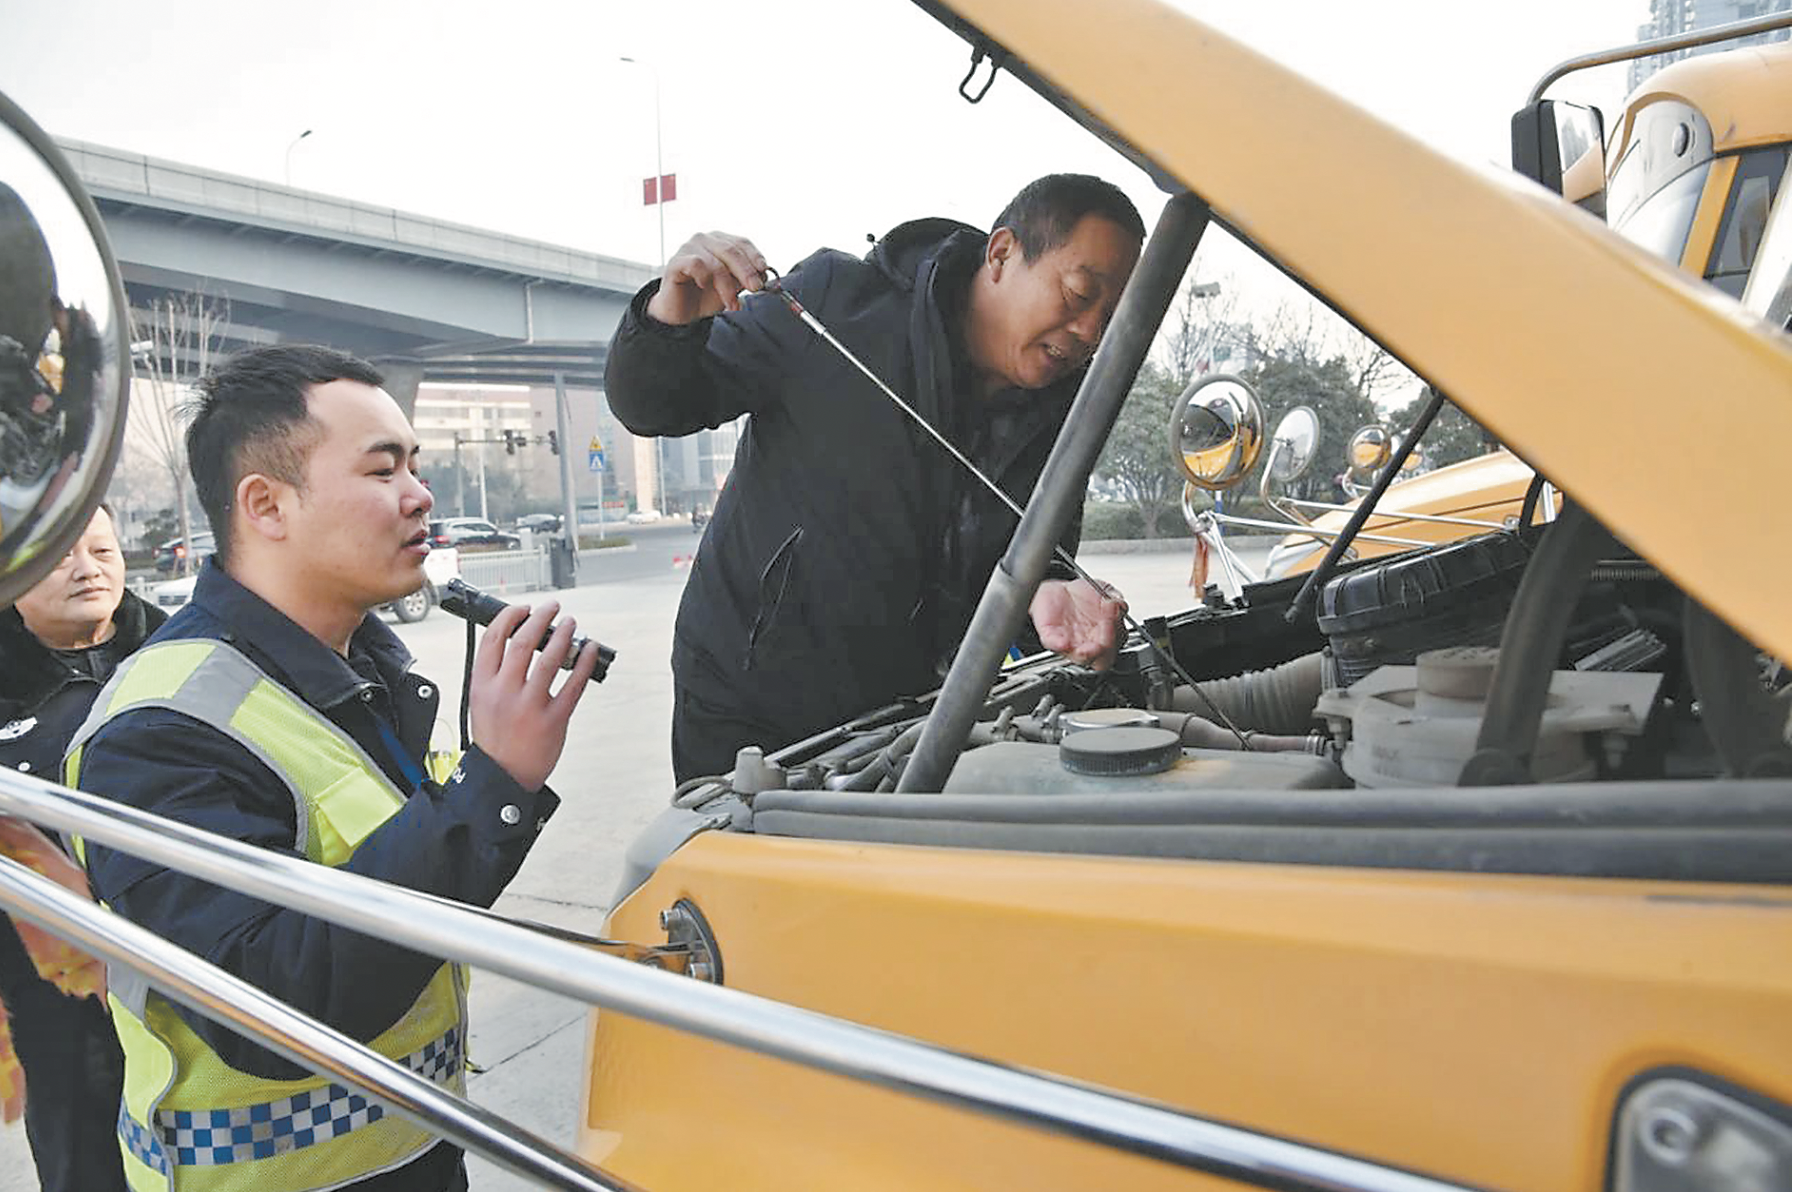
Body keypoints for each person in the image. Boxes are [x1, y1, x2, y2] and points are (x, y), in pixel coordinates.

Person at [66, 345, 600, 1191]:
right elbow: (267, 1007)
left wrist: (487, 790)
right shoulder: (159, 727)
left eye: (416, 464)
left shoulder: (365, 669)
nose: (421, 494)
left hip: (418, 1153)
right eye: (383, 469)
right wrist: (492, 785)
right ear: (267, 504)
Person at [606, 173, 1143, 780]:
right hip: (747, 711)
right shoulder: (837, 302)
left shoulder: (1069, 412)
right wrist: (668, 319)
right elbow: (655, 407)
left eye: (1109, 316)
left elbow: (1029, 564)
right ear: (1001, 254)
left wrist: (1048, 594)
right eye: (1078, 294)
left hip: (904, 725)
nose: (1091, 333)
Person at [0, 502, 154, 1192]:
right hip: (53, 996)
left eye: (104, 550)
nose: (89, 569)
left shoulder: (186, 651)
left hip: (187, 962)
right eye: (62, 553)